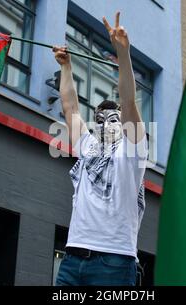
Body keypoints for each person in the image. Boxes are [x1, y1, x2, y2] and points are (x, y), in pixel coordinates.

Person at [53, 12, 147, 286]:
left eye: (114, 120)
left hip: (114, 263)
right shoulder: (90, 149)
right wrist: (66, 67)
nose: (107, 125)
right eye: (100, 121)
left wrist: (122, 54)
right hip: (72, 258)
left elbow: (128, 101)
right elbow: (70, 108)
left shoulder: (132, 153)